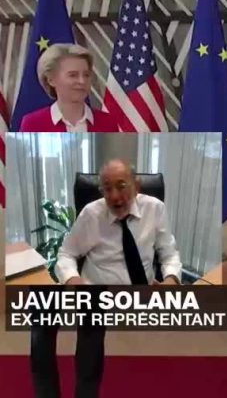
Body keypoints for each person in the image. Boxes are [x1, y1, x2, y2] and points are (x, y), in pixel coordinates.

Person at [30, 159, 181, 398]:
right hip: (97, 291)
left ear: (137, 186)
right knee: (81, 344)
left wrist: (171, 278)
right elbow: (67, 253)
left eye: (121, 186)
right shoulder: (92, 214)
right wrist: (73, 280)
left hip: (140, 293)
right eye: (107, 188)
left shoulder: (155, 209)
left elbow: (168, 251)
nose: (114, 196)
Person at [19, 43, 118, 132]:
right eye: (73, 75)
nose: (82, 81)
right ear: (51, 80)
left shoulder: (108, 122)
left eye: (86, 75)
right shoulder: (33, 123)